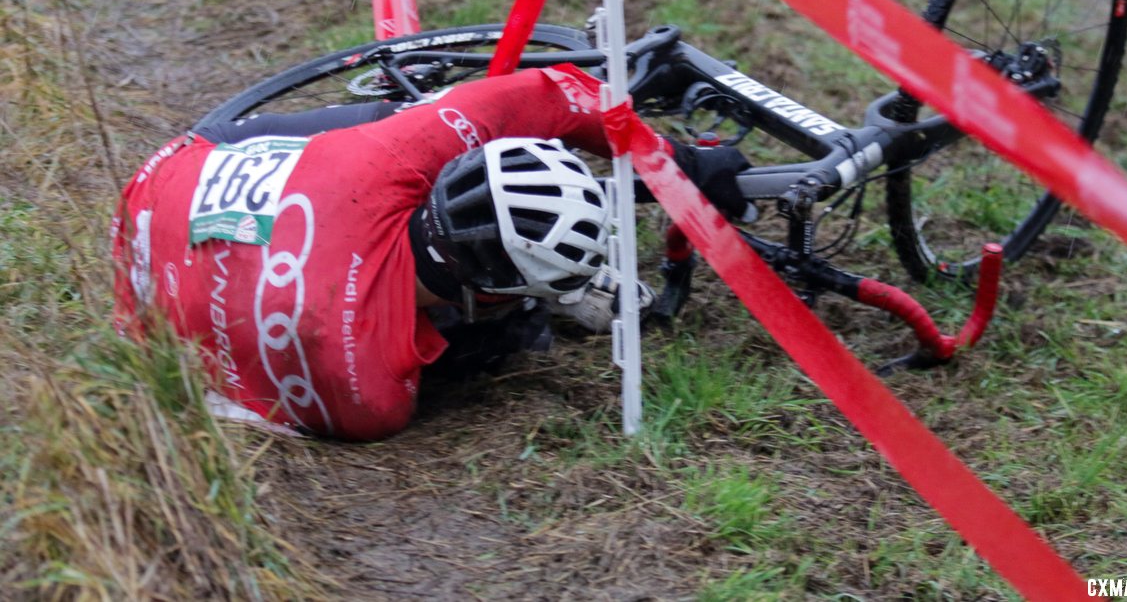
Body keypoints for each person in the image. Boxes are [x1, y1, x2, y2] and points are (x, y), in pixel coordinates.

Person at [111, 64, 749, 441]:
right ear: (488, 290)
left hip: (156, 186)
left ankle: (405, 113)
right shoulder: (377, 399)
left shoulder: (386, 160)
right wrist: (686, 166)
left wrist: (669, 160)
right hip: (143, 320)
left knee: (395, 119)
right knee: (519, 340)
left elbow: (552, 92)